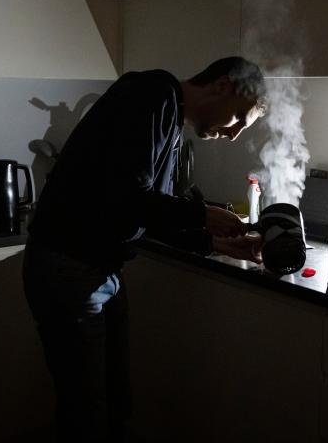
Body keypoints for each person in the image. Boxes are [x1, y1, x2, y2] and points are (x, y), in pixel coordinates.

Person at [22, 56, 267, 443]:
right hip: (69, 266)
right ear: (223, 86)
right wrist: (202, 214)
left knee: (114, 404)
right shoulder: (152, 94)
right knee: (88, 412)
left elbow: (148, 213)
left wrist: (217, 243)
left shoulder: (169, 118)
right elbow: (125, 196)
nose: (235, 134)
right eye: (238, 117)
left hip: (98, 271)